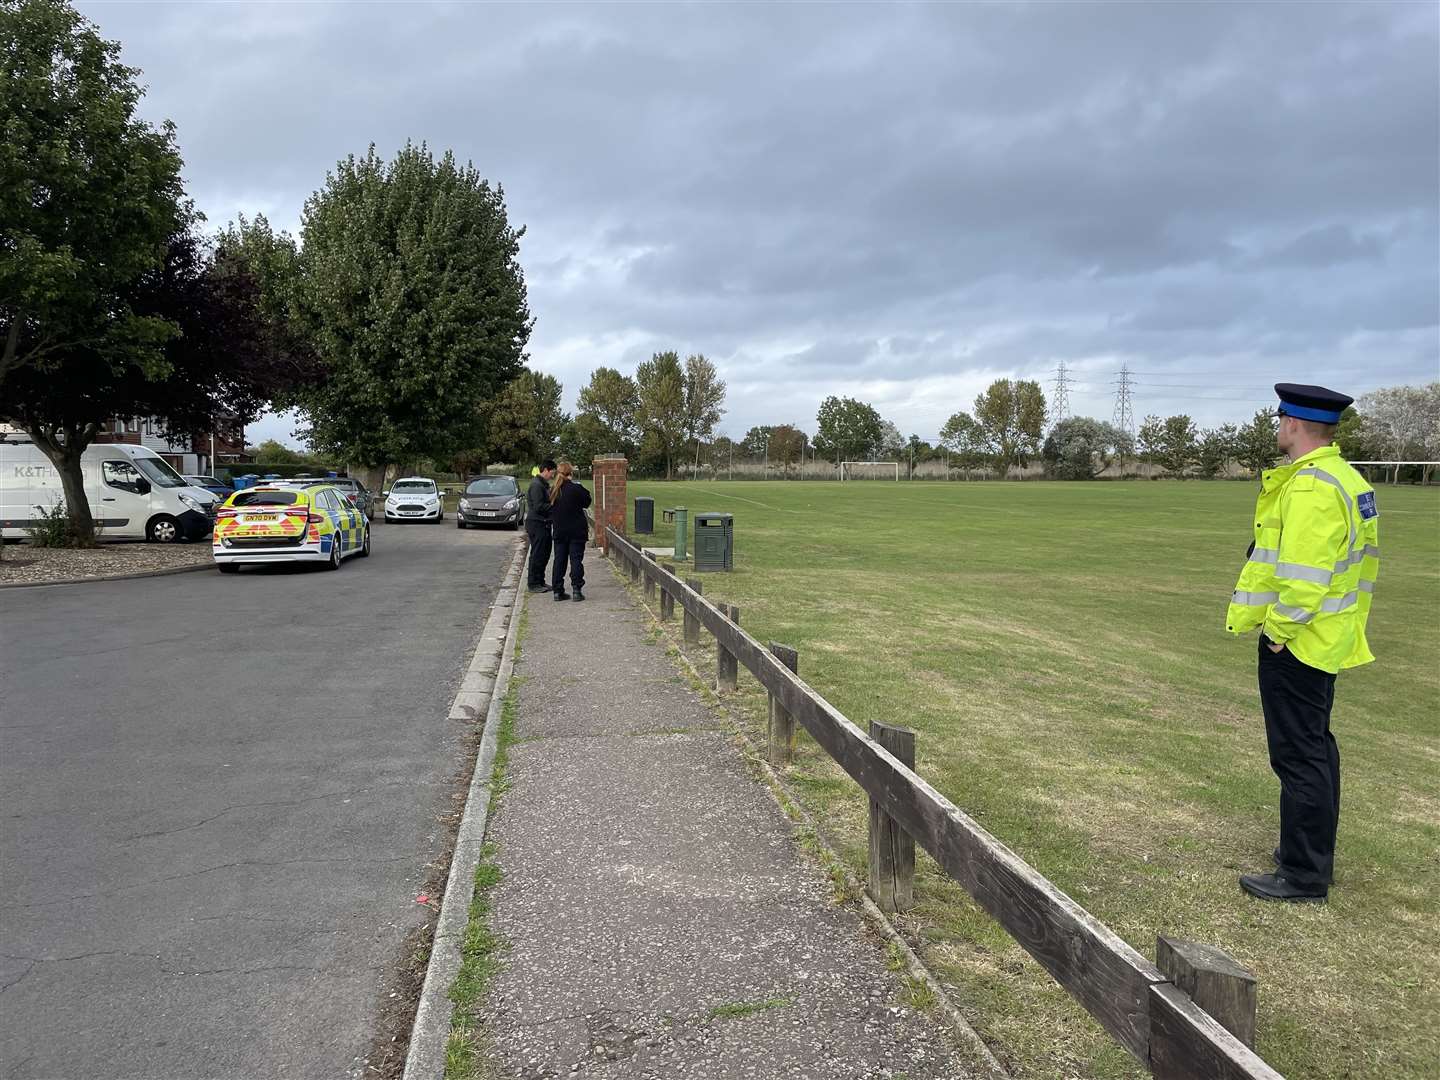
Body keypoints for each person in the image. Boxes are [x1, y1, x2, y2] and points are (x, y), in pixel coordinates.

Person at [1227, 383, 1379, 903]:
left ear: (1293, 423)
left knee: (1298, 755)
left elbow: (1304, 577)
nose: (1277, 427)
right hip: (1328, 637)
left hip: (1300, 641)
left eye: (1279, 419)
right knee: (1316, 746)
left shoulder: (1313, 487)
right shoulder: (1346, 477)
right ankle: (1312, 856)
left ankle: (1304, 873)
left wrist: (1277, 633)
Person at [549, 461, 592, 602]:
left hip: (560, 530)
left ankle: (557, 590)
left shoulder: (553, 491)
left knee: (559, 560)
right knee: (576, 560)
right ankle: (576, 589)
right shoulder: (576, 489)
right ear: (571, 473)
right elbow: (587, 501)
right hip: (576, 530)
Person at [525, 460, 557, 593]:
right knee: (537, 554)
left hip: (543, 523)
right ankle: (533, 583)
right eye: (552, 473)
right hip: (537, 523)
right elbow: (538, 506)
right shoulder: (537, 485)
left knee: (544, 554)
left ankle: (540, 580)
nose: (553, 476)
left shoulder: (542, 485)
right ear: (546, 470)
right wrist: (555, 506)